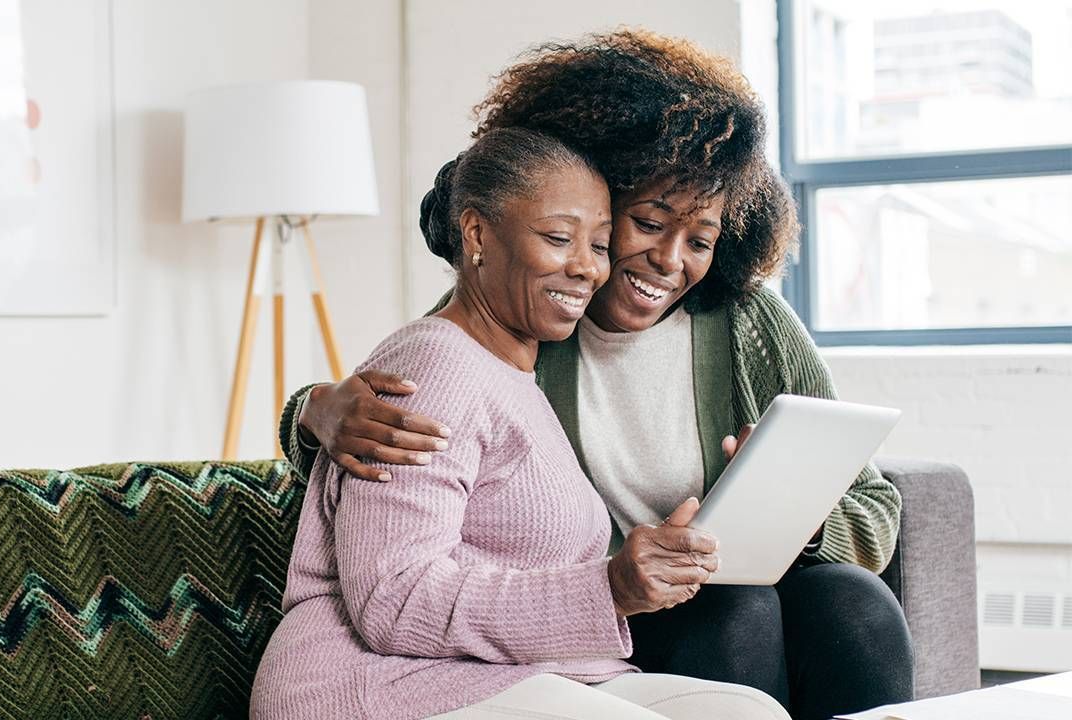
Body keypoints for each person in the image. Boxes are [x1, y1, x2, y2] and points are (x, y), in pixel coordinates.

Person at [278, 30, 914, 720]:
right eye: (646, 222)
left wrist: (788, 513)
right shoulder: (530, 315)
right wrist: (314, 407)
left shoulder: (749, 325)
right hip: (598, 608)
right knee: (738, 610)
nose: (670, 259)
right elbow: (421, 383)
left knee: (854, 603)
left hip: (683, 588)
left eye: (700, 239)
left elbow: (875, 508)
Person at [251, 127, 789, 720]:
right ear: (478, 234)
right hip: (373, 685)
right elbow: (394, 599)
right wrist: (607, 588)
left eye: (600, 246)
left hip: (510, 678)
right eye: (559, 239)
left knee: (750, 713)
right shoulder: (434, 368)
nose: (586, 269)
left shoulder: (515, 375)